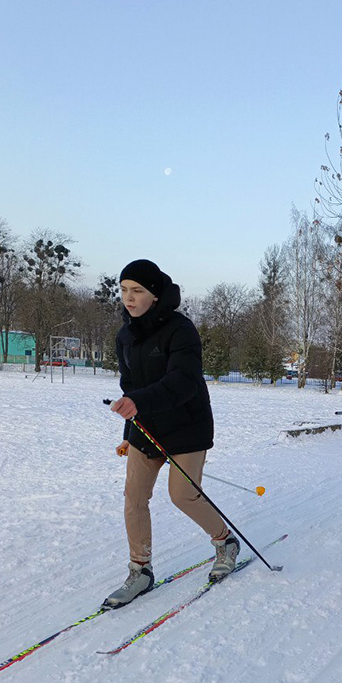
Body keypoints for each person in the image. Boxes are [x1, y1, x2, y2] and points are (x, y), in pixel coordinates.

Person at [104, 259, 239, 608]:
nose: (128, 298)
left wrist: (137, 402)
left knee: (182, 495)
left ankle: (225, 542)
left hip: (186, 425)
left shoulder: (181, 330)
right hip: (146, 428)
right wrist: (128, 428)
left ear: (155, 294)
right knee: (134, 498)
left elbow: (183, 381)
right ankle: (140, 570)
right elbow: (130, 386)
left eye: (137, 291)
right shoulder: (125, 336)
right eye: (123, 290)